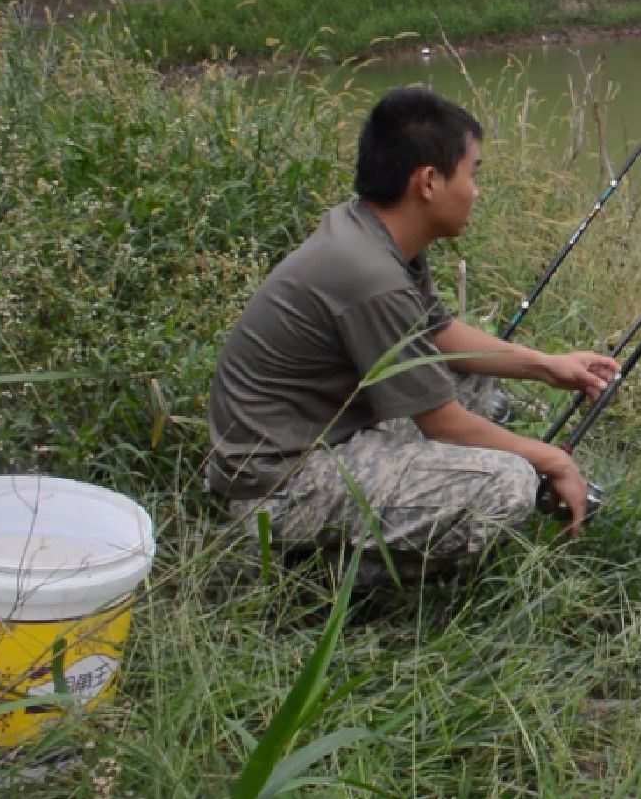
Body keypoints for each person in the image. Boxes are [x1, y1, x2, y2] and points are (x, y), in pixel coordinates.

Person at [205, 86, 619, 575]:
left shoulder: (369, 232)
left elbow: (438, 333)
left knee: (472, 379)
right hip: (278, 485)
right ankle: (304, 572)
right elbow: (439, 421)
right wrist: (551, 461)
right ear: (427, 182)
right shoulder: (370, 277)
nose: (476, 191)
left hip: (317, 435)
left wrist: (547, 366)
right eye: (472, 173)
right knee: (507, 485)